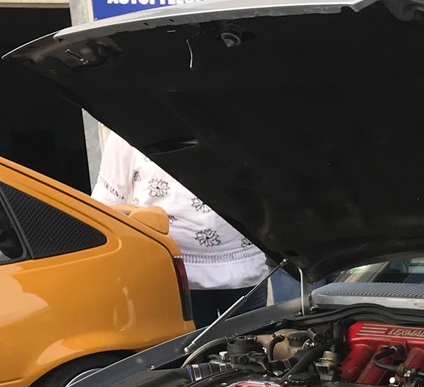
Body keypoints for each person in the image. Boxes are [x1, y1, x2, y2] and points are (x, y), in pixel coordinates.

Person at [91, 131, 293, 324]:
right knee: (190, 349)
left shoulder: (240, 119)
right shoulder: (130, 126)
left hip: (245, 269)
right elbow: (107, 201)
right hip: (173, 275)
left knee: (253, 346)